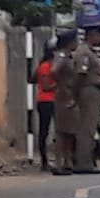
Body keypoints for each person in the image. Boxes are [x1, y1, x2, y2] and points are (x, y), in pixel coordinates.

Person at [73, 26, 100, 174]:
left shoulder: (89, 52)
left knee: (91, 128)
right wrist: (75, 95)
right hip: (88, 92)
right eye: (99, 36)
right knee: (87, 128)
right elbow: (80, 75)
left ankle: (87, 159)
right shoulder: (85, 53)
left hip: (93, 92)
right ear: (92, 35)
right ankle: (83, 162)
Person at [50, 31, 79, 176]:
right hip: (63, 97)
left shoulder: (70, 57)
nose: (77, 43)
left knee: (70, 131)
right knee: (61, 132)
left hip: (71, 96)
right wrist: (62, 85)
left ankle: (68, 161)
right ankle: (58, 163)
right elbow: (54, 71)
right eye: (75, 41)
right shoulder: (61, 56)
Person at [32, 40, 58, 171]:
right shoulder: (45, 67)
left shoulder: (46, 66)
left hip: (50, 101)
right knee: (44, 132)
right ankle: (44, 162)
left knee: (55, 131)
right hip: (46, 101)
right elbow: (47, 86)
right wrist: (59, 83)